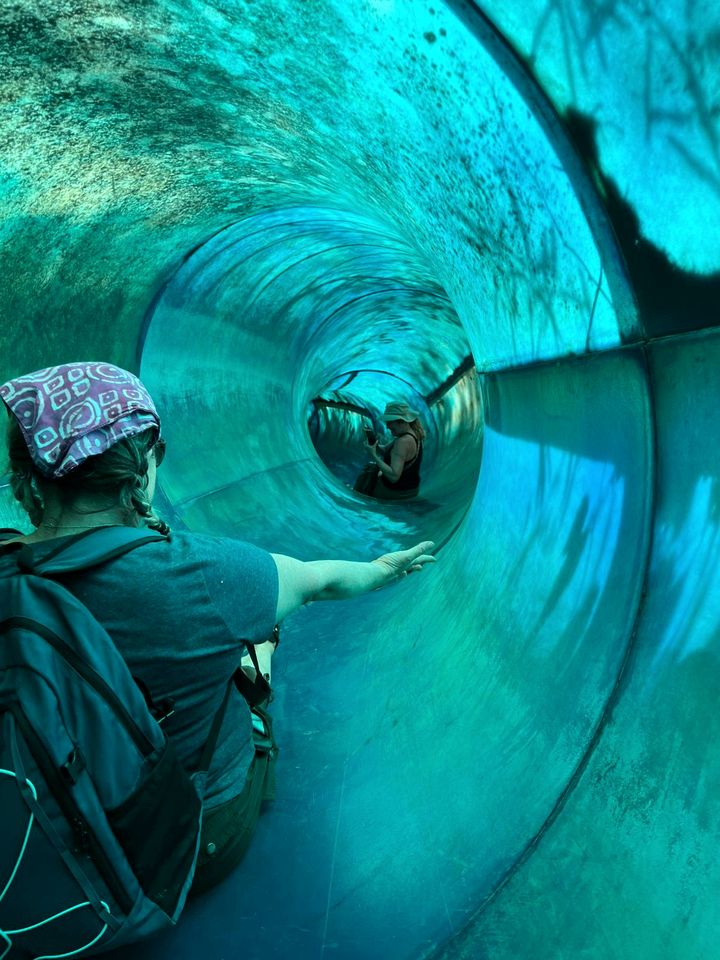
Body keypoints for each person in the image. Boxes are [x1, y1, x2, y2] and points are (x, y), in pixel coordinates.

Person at [0, 362, 435, 895]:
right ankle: (258, 691)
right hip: (187, 840)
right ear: (141, 470)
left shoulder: (8, 568)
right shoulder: (206, 573)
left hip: (48, 828)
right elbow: (319, 580)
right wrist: (382, 570)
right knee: (257, 640)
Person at [363, 401, 425, 500]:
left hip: (395, 493)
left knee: (366, 479)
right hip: (410, 489)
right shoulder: (414, 434)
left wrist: (373, 455)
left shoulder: (403, 442)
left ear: (401, 421)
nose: (387, 426)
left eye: (390, 422)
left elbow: (393, 477)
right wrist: (374, 444)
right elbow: (386, 451)